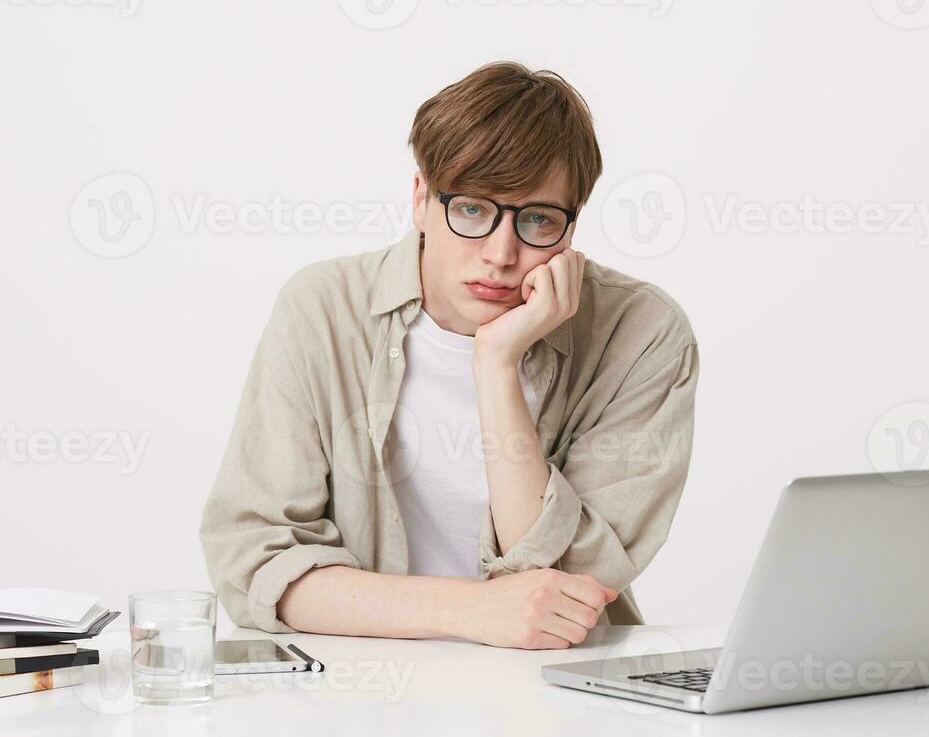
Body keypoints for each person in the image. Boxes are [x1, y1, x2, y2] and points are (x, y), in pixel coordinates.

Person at [200, 61, 698, 650]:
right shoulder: (322, 308)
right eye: (471, 209)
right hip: (362, 691)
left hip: (557, 689)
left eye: (538, 219)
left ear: (572, 227)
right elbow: (254, 565)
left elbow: (570, 584)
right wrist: (471, 610)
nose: (500, 252)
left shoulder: (641, 333)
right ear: (421, 200)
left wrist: (497, 363)